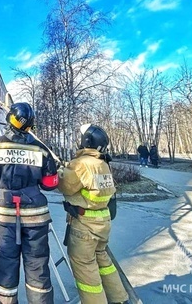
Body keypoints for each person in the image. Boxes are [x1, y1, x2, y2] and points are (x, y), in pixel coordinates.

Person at [0, 102, 59, 304]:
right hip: (36, 218)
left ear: (10, 120)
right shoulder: (41, 149)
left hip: (5, 218)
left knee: (5, 265)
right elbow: (50, 184)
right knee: (37, 267)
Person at [57, 124, 129, 304]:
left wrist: (59, 170)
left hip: (84, 225)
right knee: (103, 261)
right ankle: (120, 298)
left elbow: (65, 184)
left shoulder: (81, 164)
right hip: (102, 222)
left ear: (86, 141)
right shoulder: (102, 164)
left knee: (85, 269)